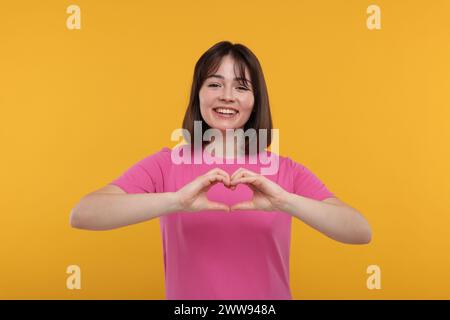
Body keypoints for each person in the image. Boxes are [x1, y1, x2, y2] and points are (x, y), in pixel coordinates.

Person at [70, 41, 372, 300]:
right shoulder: (167, 164)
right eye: (214, 84)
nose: (227, 96)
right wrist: (174, 201)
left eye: (241, 87)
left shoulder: (283, 170)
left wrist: (285, 201)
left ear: (254, 101)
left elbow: (359, 231)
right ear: (198, 94)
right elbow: (84, 214)